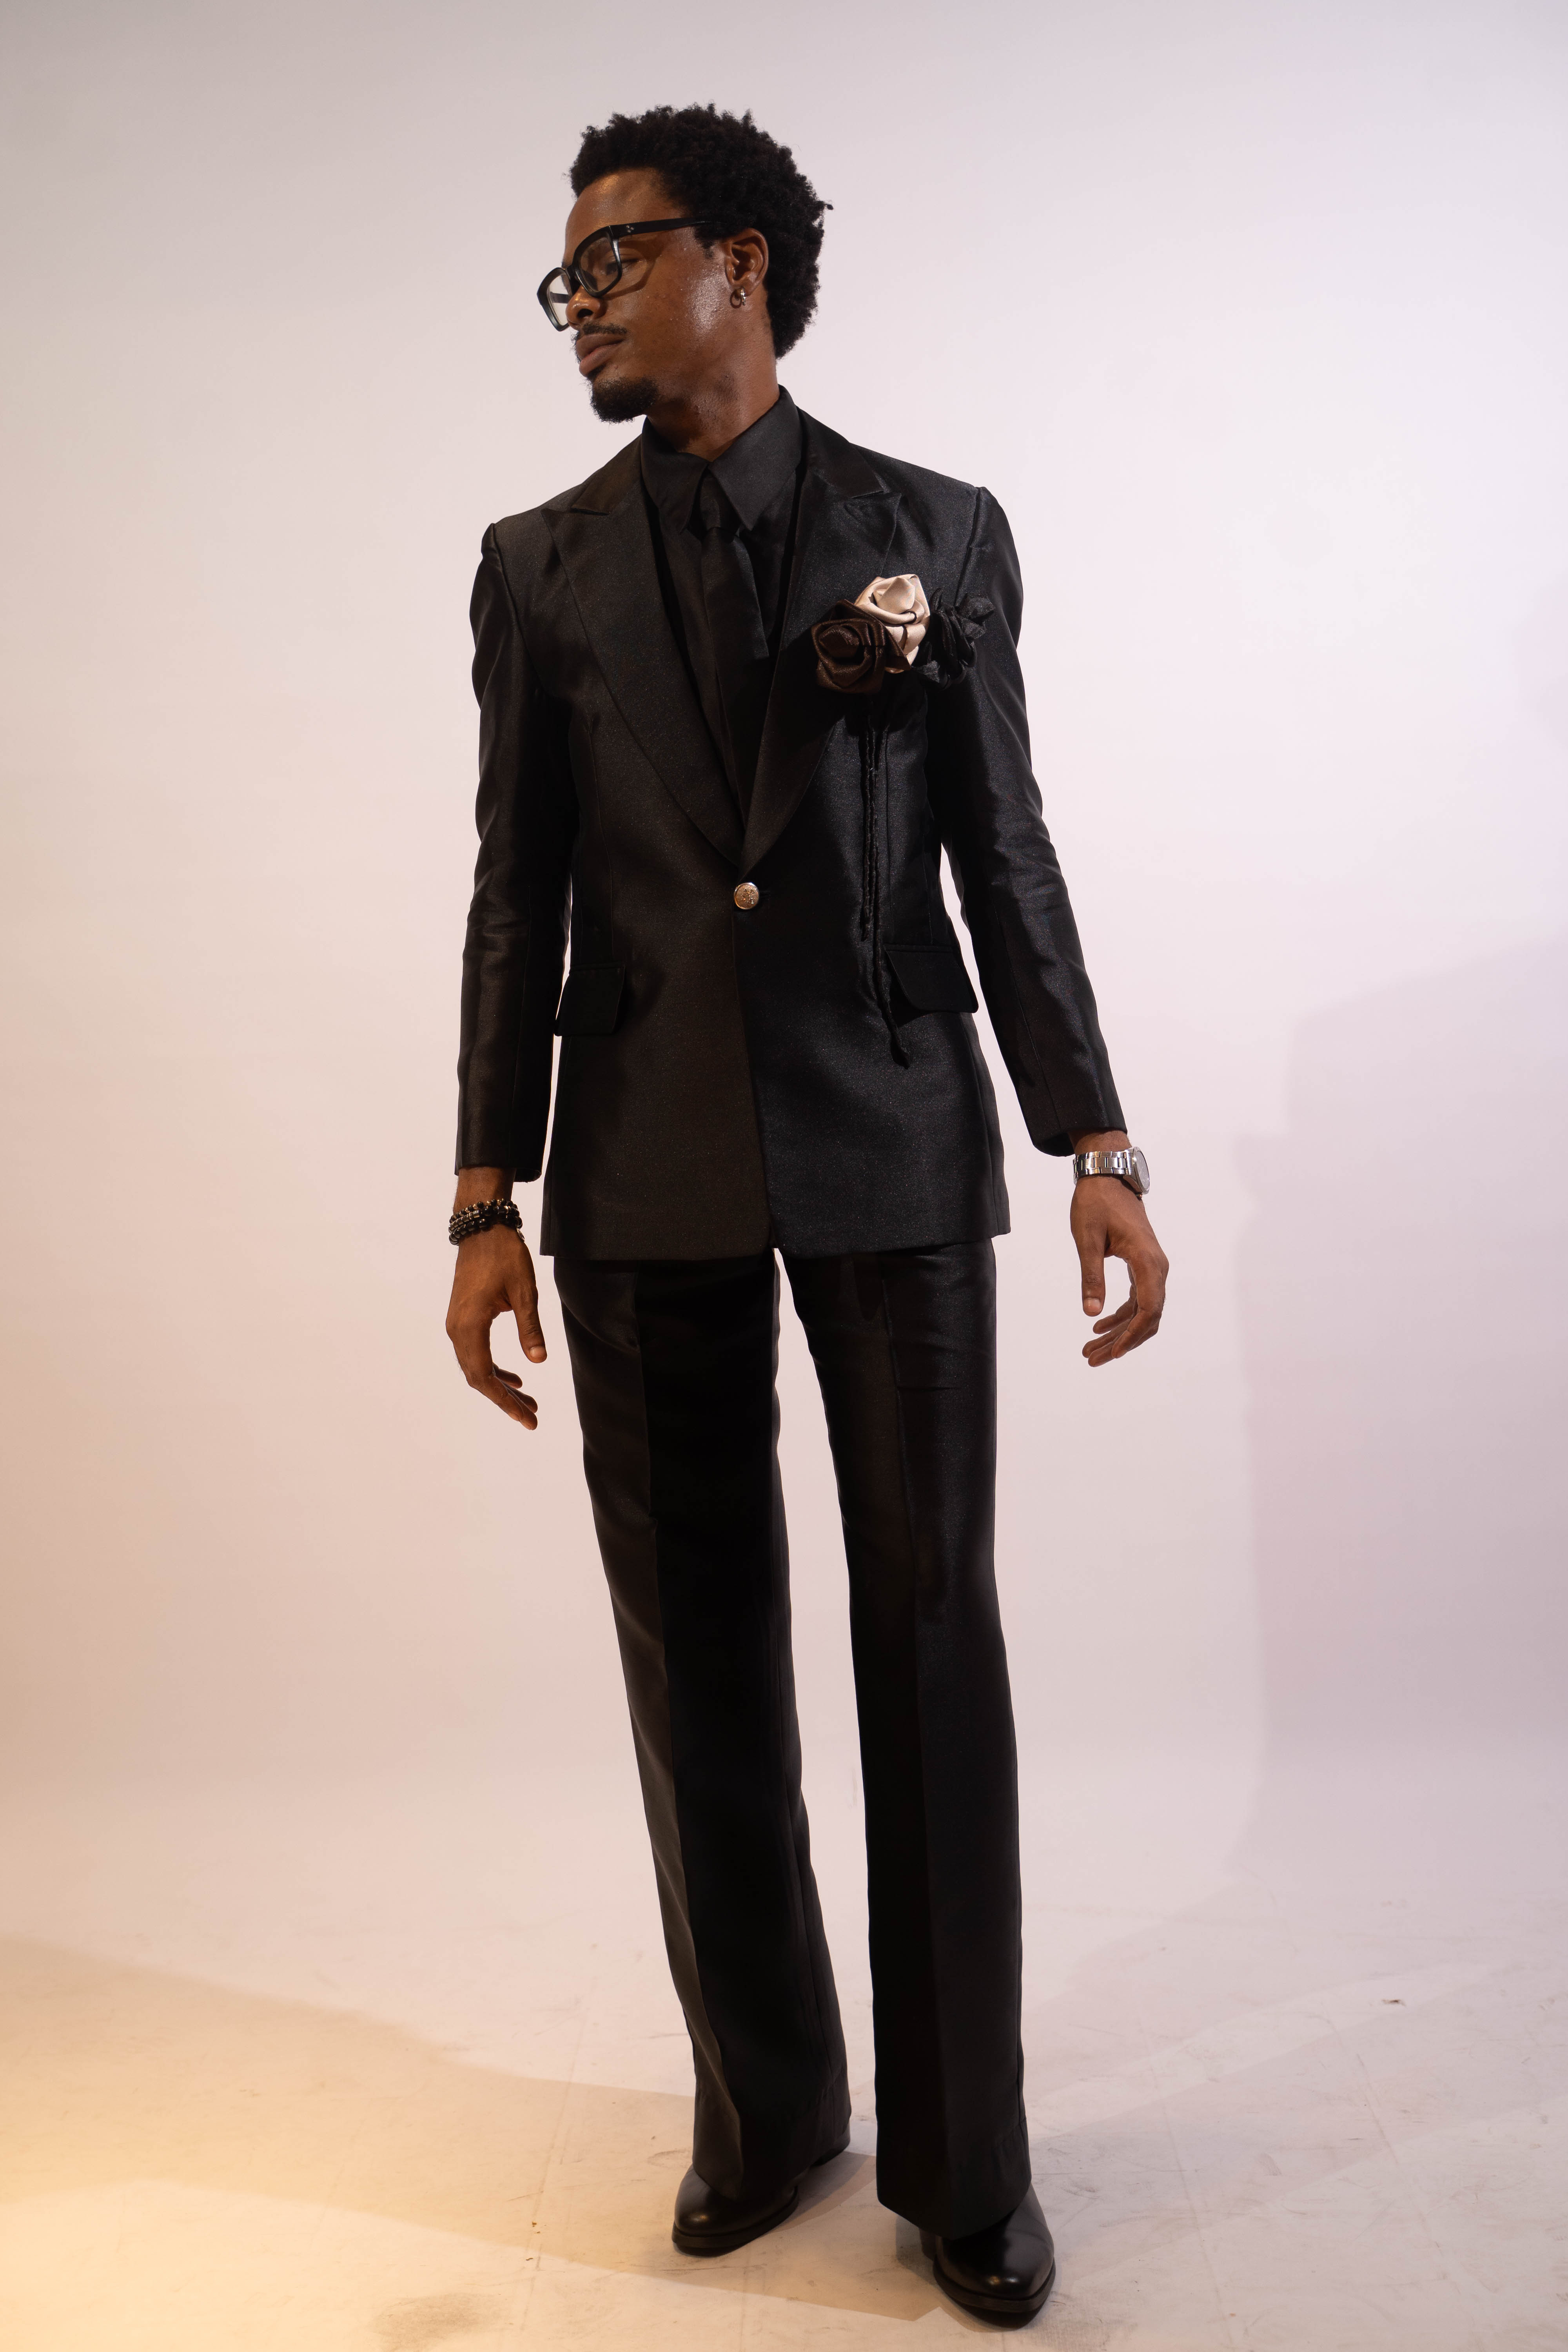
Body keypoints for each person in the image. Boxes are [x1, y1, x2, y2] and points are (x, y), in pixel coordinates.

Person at [444, 103, 1167, 2328]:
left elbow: (1004, 844)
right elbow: (515, 887)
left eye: (615, 260)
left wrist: (1093, 1140)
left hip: (892, 1128)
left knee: (930, 1634)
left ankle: (965, 2163)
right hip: (641, 1148)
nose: (581, 302)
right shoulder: (538, 564)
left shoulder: (931, 532)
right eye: (566, 275)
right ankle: (766, 2110)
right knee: (699, 1662)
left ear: (738, 263)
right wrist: (482, 1190)